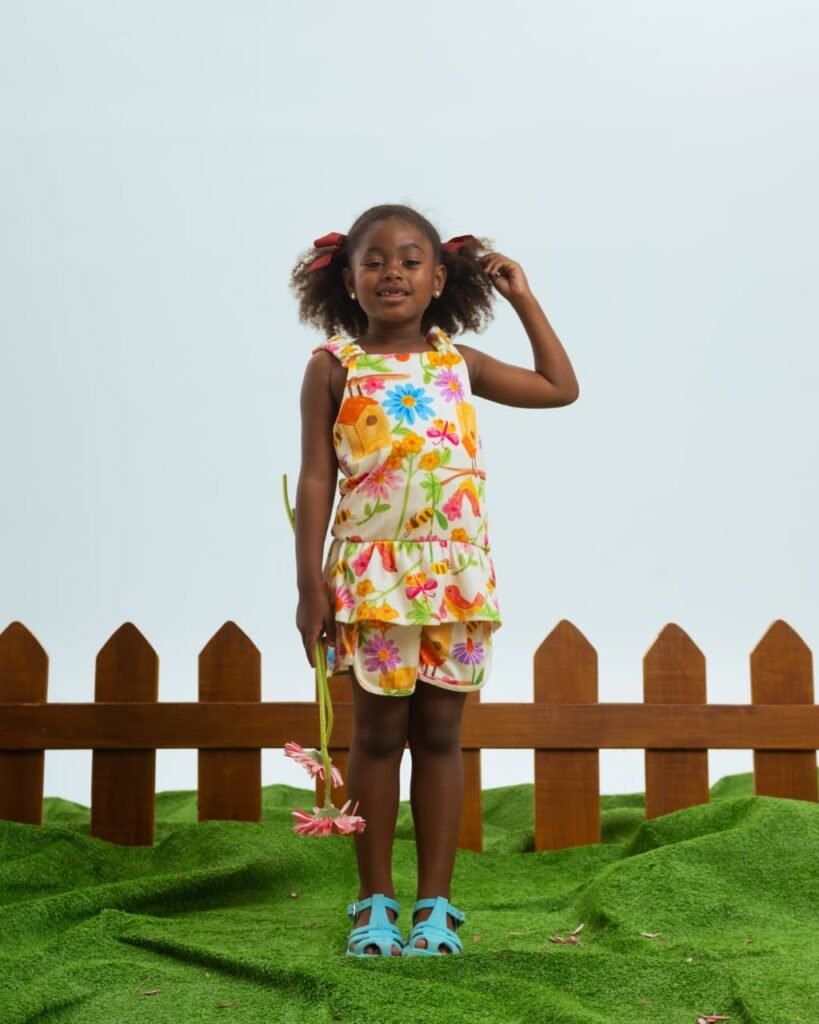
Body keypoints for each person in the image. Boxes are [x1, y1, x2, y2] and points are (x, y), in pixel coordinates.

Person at [289, 203, 579, 957]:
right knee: (377, 735)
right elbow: (317, 479)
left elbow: (559, 387)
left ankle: (436, 905)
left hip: (453, 576)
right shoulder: (333, 368)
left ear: (440, 278)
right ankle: (374, 901)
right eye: (375, 261)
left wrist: (522, 298)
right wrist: (309, 584)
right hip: (369, 578)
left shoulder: (460, 364)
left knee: (443, 736)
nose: (393, 273)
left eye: (410, 260)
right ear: (347, 281)